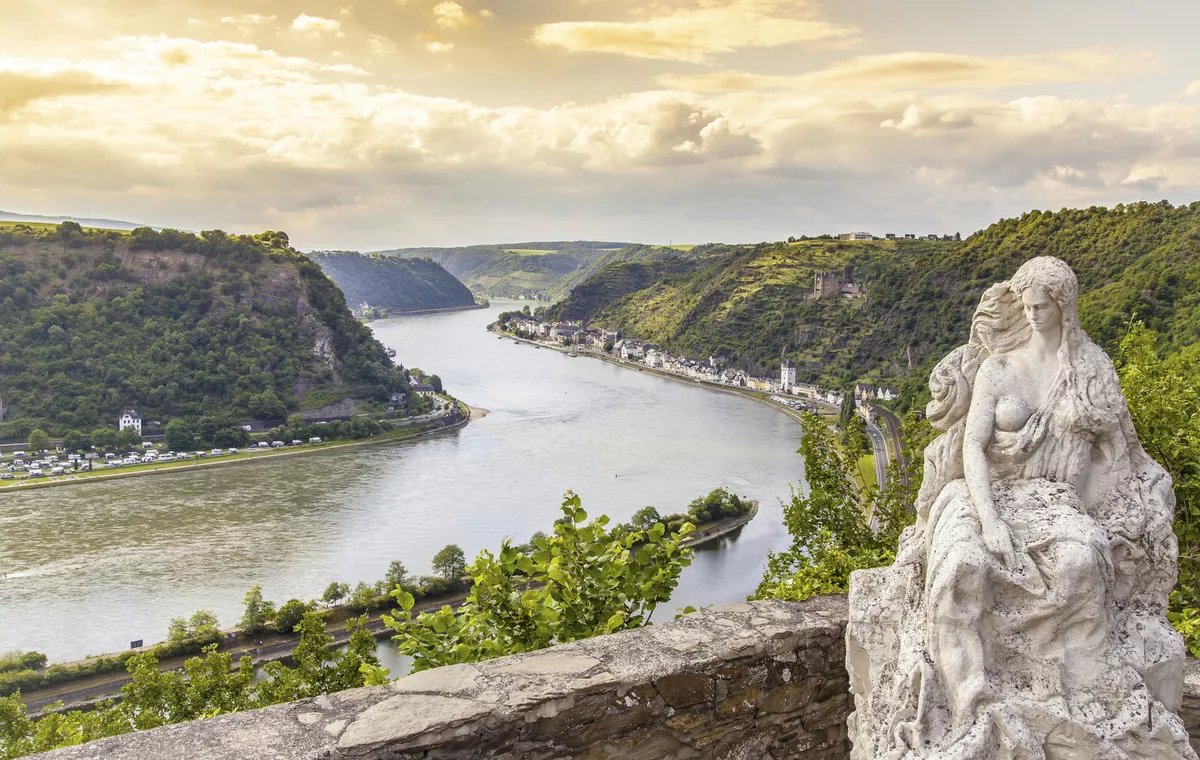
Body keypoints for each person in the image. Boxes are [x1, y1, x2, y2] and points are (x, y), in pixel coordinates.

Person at [847, 257, 1193, 759]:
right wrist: (990, 522)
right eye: (1025, 305)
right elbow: (971, 449)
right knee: (962, 567)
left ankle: (1067, 689)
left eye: (1041, 306)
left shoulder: (1090, 370)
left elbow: (1120, 452)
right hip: (981, 494)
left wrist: (1123, 509)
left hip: (1056, 501)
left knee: (1079, 563)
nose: (1031, 315)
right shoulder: (999, 368)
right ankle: (969, 706)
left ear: (1064, 307)